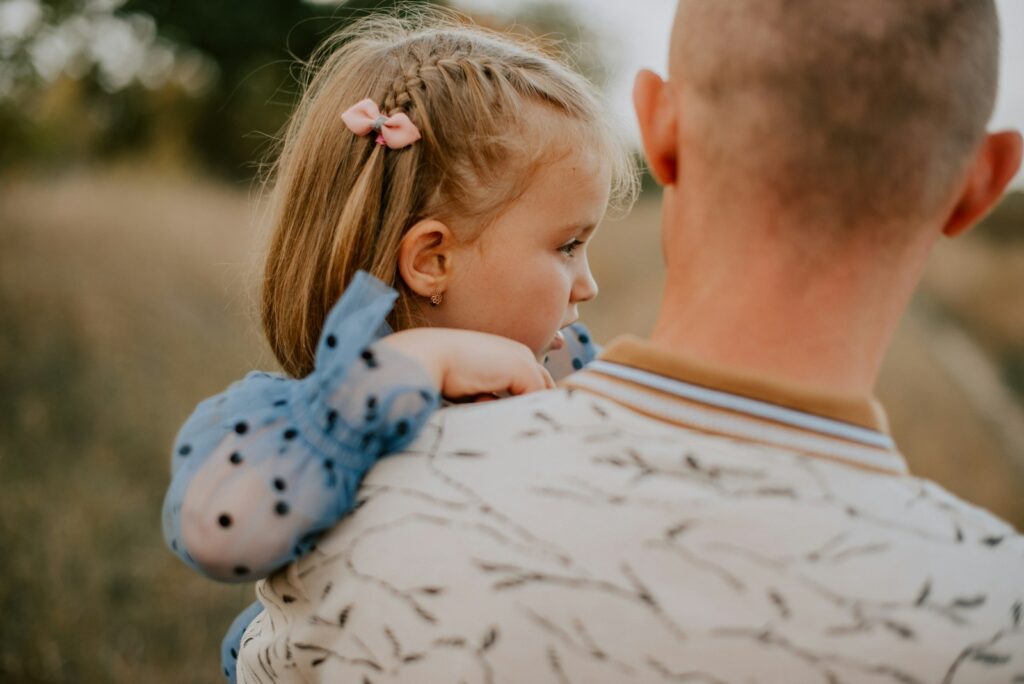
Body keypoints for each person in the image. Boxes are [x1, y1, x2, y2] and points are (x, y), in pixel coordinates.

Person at [235, 0, 1024, 682]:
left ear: (661, 126)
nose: (587, 285)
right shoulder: (996, 619)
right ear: (983, 182)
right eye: (569, 247)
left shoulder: (335, 506)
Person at [161, 13, 636, 682]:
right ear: (431, 262)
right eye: (566, 246)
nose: (587, 283)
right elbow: (215, 533)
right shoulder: (296, 422)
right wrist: (409, 367)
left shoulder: (563, 372)